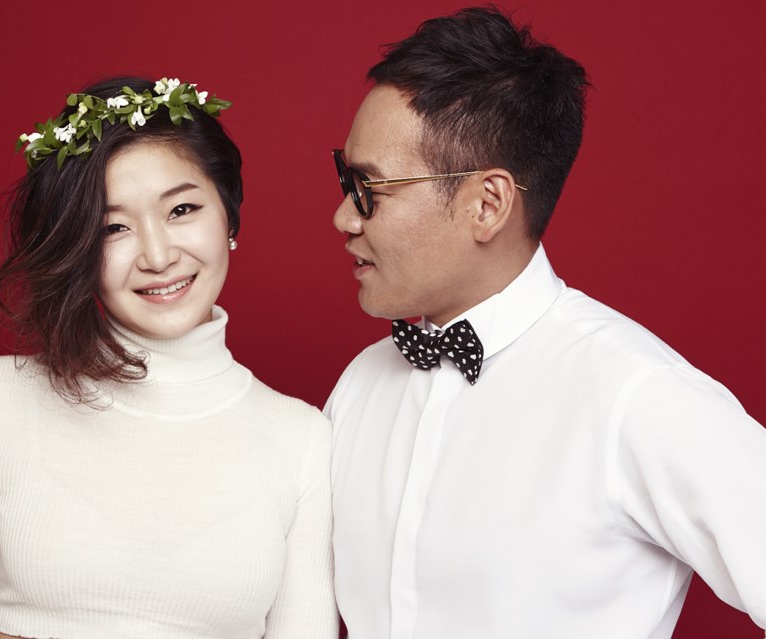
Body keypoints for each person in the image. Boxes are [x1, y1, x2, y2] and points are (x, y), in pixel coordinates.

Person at [0, 76, 337, 639]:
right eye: (113, 227)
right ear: (77, 246)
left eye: (181, 209)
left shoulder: (300, 439)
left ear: (230, 217)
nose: (158, 256)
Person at [325, 7, 766, 639]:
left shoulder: (638, 396)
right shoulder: (361, 384)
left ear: (488, 203)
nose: (343, 217)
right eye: (345, 180)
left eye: (371, 188)